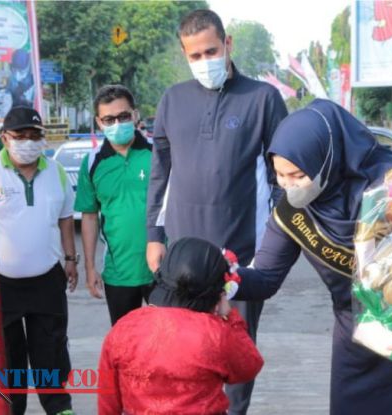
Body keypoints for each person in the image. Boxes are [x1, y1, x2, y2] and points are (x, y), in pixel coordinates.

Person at [234, 99, 392, 414]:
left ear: (326, 159)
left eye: (298, 175)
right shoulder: (292, 211)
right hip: (356, 340)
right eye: (280, 176)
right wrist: (226, 277)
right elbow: (265, 278)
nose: (289, 186)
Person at [145, 9, 288, 413]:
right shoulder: (172, 100)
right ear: (184, 55)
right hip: (181, 261)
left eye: (211, 50)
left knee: (234, 356)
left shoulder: (263, 99)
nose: (204, 61)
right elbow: (160, 174)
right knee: (179, 357)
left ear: (228, 45)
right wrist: (154, 238)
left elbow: (283, 180)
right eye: (194, 55)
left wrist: (272, 249)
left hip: (239, 258)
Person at [0, 106, 77, 415]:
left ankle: (59, 409)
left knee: (52, 352)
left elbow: (64, 220)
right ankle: (9, 410)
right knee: (6, 357)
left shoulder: (55, 171)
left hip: (47, 279)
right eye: (20, 136)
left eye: (35, 136)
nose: (28, 142)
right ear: (5, 138)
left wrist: (71, 259)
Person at [98, 237, 263, 415]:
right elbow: (249, 367)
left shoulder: (125, 328)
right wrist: (230, 316)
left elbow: (108, 400)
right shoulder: (216, 334)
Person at [74, 85, 153, 325]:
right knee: (125, 348)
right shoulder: (92, 163)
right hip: (118, 274)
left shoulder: (159, 152)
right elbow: (89, 217)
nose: (117, 123)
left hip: (162, 270)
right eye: (109, 119)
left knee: (166, 349)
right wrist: (89, 268)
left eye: (123, 116)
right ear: (99, 122)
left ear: (135, 115)